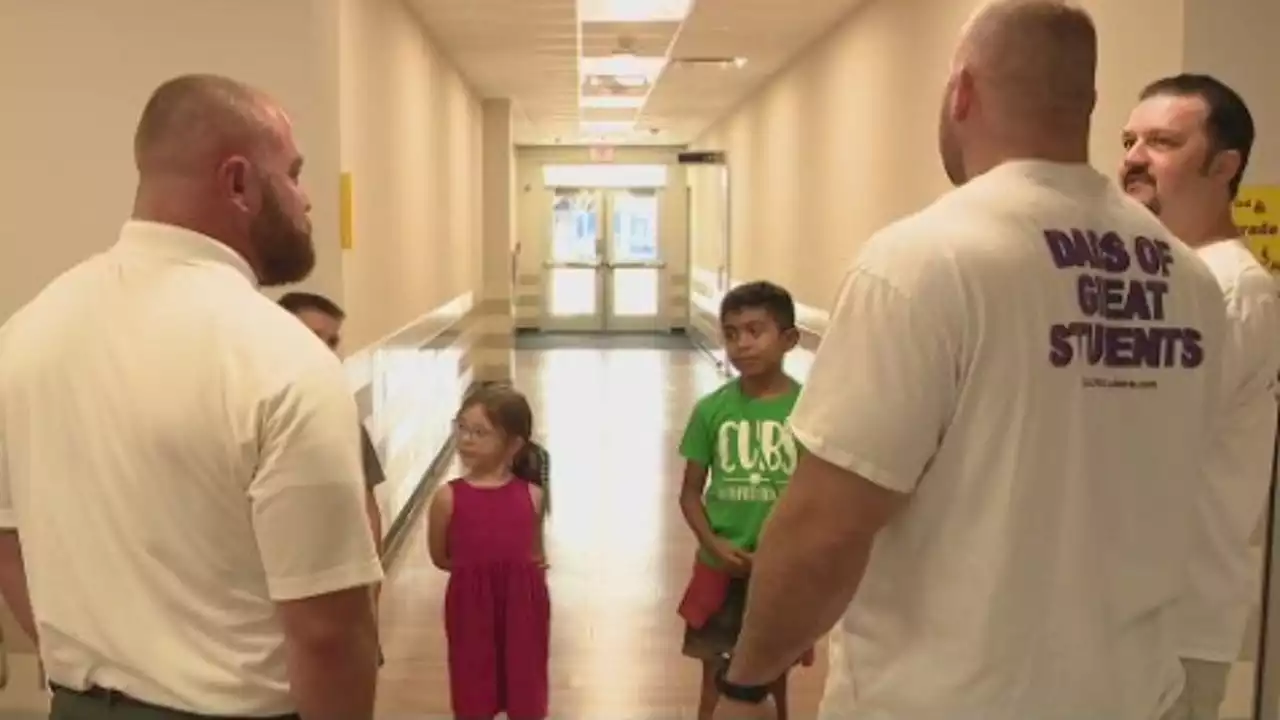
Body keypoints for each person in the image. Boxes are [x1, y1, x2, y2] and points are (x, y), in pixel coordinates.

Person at [708, 2, 1228, 719]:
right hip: (1132, 694)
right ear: (1088, 103)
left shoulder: (926, 262)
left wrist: (747, 680)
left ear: (962, 93)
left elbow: (826, 525)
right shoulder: (1190, 281)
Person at [0, 74, 382, 720]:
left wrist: (116, 669)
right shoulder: (281, 360)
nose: (307, 200)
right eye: (293, 174)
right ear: (238, 182)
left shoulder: (24, 334)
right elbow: (328, 632)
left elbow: (8, 542)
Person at [1122, 74, 1280, 720]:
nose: (1133, 157)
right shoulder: (1168, 280)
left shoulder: (1231, 292)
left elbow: (1142, 450)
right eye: (1128, 140)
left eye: (1162, 141)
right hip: (1127, 620)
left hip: (1176, 627)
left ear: (1224, 166)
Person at [675, 280, 805, 720]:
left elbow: (817, 497)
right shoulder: (711, 411)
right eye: (731, 333)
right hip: (718, 568)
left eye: (755, 331)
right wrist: (714, 545)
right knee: (715, 675)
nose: (742, 344)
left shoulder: (809, 412)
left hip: (781, 572)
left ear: (789, 339)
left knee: (774, 675)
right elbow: (690, 493)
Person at [426, 384, 550, 720]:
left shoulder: (533, 496)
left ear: (513, 444)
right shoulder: (447, 498)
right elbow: (440, 556)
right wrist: (478, 573)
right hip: (470, 609)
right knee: (473, 686)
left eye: (480, 432)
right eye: (462, 428)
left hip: (524, 609)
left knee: (525, 684)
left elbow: (534, 553)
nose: (466, 439)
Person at [278, 291, 387, 554]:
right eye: (313, 337)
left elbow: (366, 503)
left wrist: (372, 578)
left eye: (332, 341)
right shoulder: (249, 413)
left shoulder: (340, 412)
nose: (326, 351)